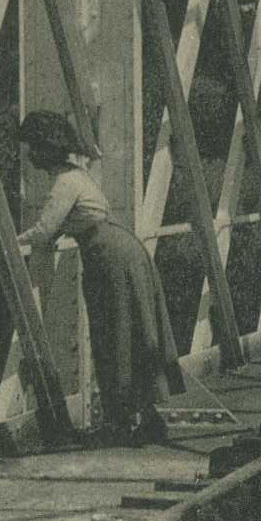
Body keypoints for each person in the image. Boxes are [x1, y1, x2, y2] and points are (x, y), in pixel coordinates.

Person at [17, 110, 185, 447]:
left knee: (115, 336)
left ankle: (118, 424)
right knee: (133, 332)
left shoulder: (65, 183)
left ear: (43, 150)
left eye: (32, 148)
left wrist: (11, 241)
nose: (29, 156)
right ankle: (147, 420)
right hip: (119, 250)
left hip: (108, 257)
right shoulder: (78, 176)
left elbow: (45, 231)